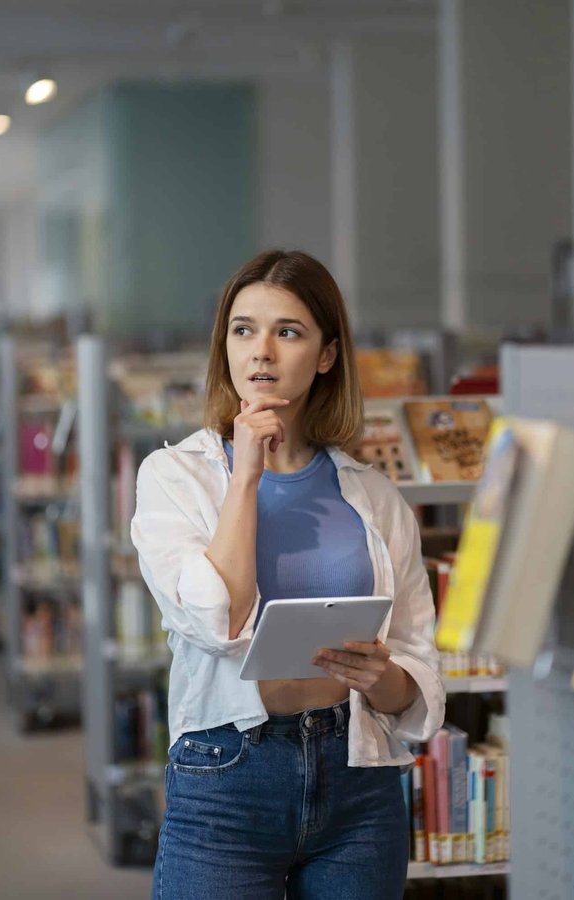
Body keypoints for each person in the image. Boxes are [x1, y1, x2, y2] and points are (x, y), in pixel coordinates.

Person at [130, 249, 446, 900]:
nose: (262, 352)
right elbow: (219, 621)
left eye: (289, 332)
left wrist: (384, 678)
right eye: (243, 329)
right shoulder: (175, 478)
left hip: (357, 781)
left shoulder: (375, 495)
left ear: (326, 354)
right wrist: (246, 473)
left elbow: (417, 669)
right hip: (227, 778)